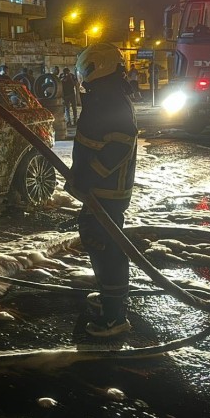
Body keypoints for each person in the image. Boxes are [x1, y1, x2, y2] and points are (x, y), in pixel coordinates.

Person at [68, 43, 137, 337]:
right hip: (98, 189)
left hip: (106, 190)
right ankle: (110, 297)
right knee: (98, 240)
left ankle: (113, 317)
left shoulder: (110, 100)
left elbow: (119, 145)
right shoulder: (104, 95)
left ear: (100, 67)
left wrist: (88, 178)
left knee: (105, 247)